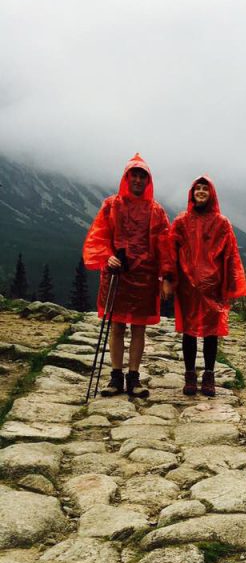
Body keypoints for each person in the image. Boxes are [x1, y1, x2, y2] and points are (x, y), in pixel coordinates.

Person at [82, 153, 170, 397]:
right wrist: (105, 255)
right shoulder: (111, 205)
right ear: (127, 177)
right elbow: (98, 235)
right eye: (135, 175)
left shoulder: (157, 211)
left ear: (148, 180)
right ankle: (115, 377)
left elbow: (165, 246)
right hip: (116, 273)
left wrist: (166, 277)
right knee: (117, 326)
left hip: (145, 277)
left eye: (143, 176)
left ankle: (134, 378)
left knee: (139, 328)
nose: (139, 180)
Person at [165, 175, 246, 397]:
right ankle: (190, 375)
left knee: (211, 333)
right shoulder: (181, 222)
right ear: (192, 194)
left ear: (211, 194)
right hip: (187, 287)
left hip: (213, 286)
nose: (201, 192)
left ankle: (209, 375)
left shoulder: (222, 223)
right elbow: (170, 253)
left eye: (205, 188)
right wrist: (168, 279)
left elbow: (231, 256)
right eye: (197, 188)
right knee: (189, 332)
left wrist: (231, 285)